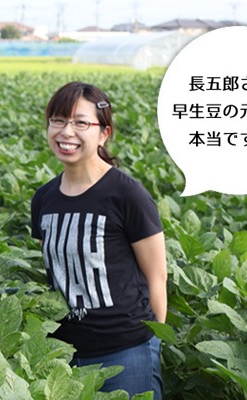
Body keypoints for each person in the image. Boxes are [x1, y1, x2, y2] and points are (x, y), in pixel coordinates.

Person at [30, 82, 167, 399]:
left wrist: (152, 343)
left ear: (104, 132)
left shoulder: (127, 195)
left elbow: (157, 277)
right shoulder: (44, 199)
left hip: (126, 350)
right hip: (65, 353)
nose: (67, 132)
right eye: (58, 121)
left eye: (81, 123)